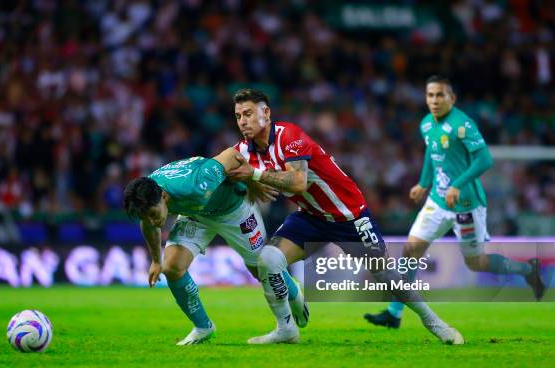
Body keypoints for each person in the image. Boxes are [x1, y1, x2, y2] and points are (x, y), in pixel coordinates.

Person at [227, 88, 463, 345]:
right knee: (268, 259)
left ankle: (435, 323)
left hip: (349, 215)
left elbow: (298, 183)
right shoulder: (243, 150)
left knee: (385, 276)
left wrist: (255, 175)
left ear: (266, 113)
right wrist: (249, 181)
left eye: (248, 113)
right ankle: (286, 328)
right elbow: (229, 172)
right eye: (238, 115)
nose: (243, 121)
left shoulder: (289, 136)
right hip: (310, 217)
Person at [364, 75, 544, 329]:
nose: (434, 100)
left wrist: (458, 184)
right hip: (438, 201)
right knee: (410, 250)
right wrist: (424, 183)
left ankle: (527, 271)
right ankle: (394, 313)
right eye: (430, 95)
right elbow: (431, 153)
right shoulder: (426, 124)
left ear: (452, 98)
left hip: (466, 204)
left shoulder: (463, 125)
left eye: (440, 95)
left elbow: (485, 161)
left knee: (476, 263)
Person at [123, 148, 309, 345]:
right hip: (197, 216)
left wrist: (252, 182)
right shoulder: (147, 197)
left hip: (235, 210)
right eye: (146, 217)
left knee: (260, 269)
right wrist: (155, 260)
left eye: (153, 214)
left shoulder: (196, 185)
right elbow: (148, 224)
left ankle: (293, 290)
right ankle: (203, 327)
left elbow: (231, 155)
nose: (152, 220)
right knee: (172, 267)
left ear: (163, 196)